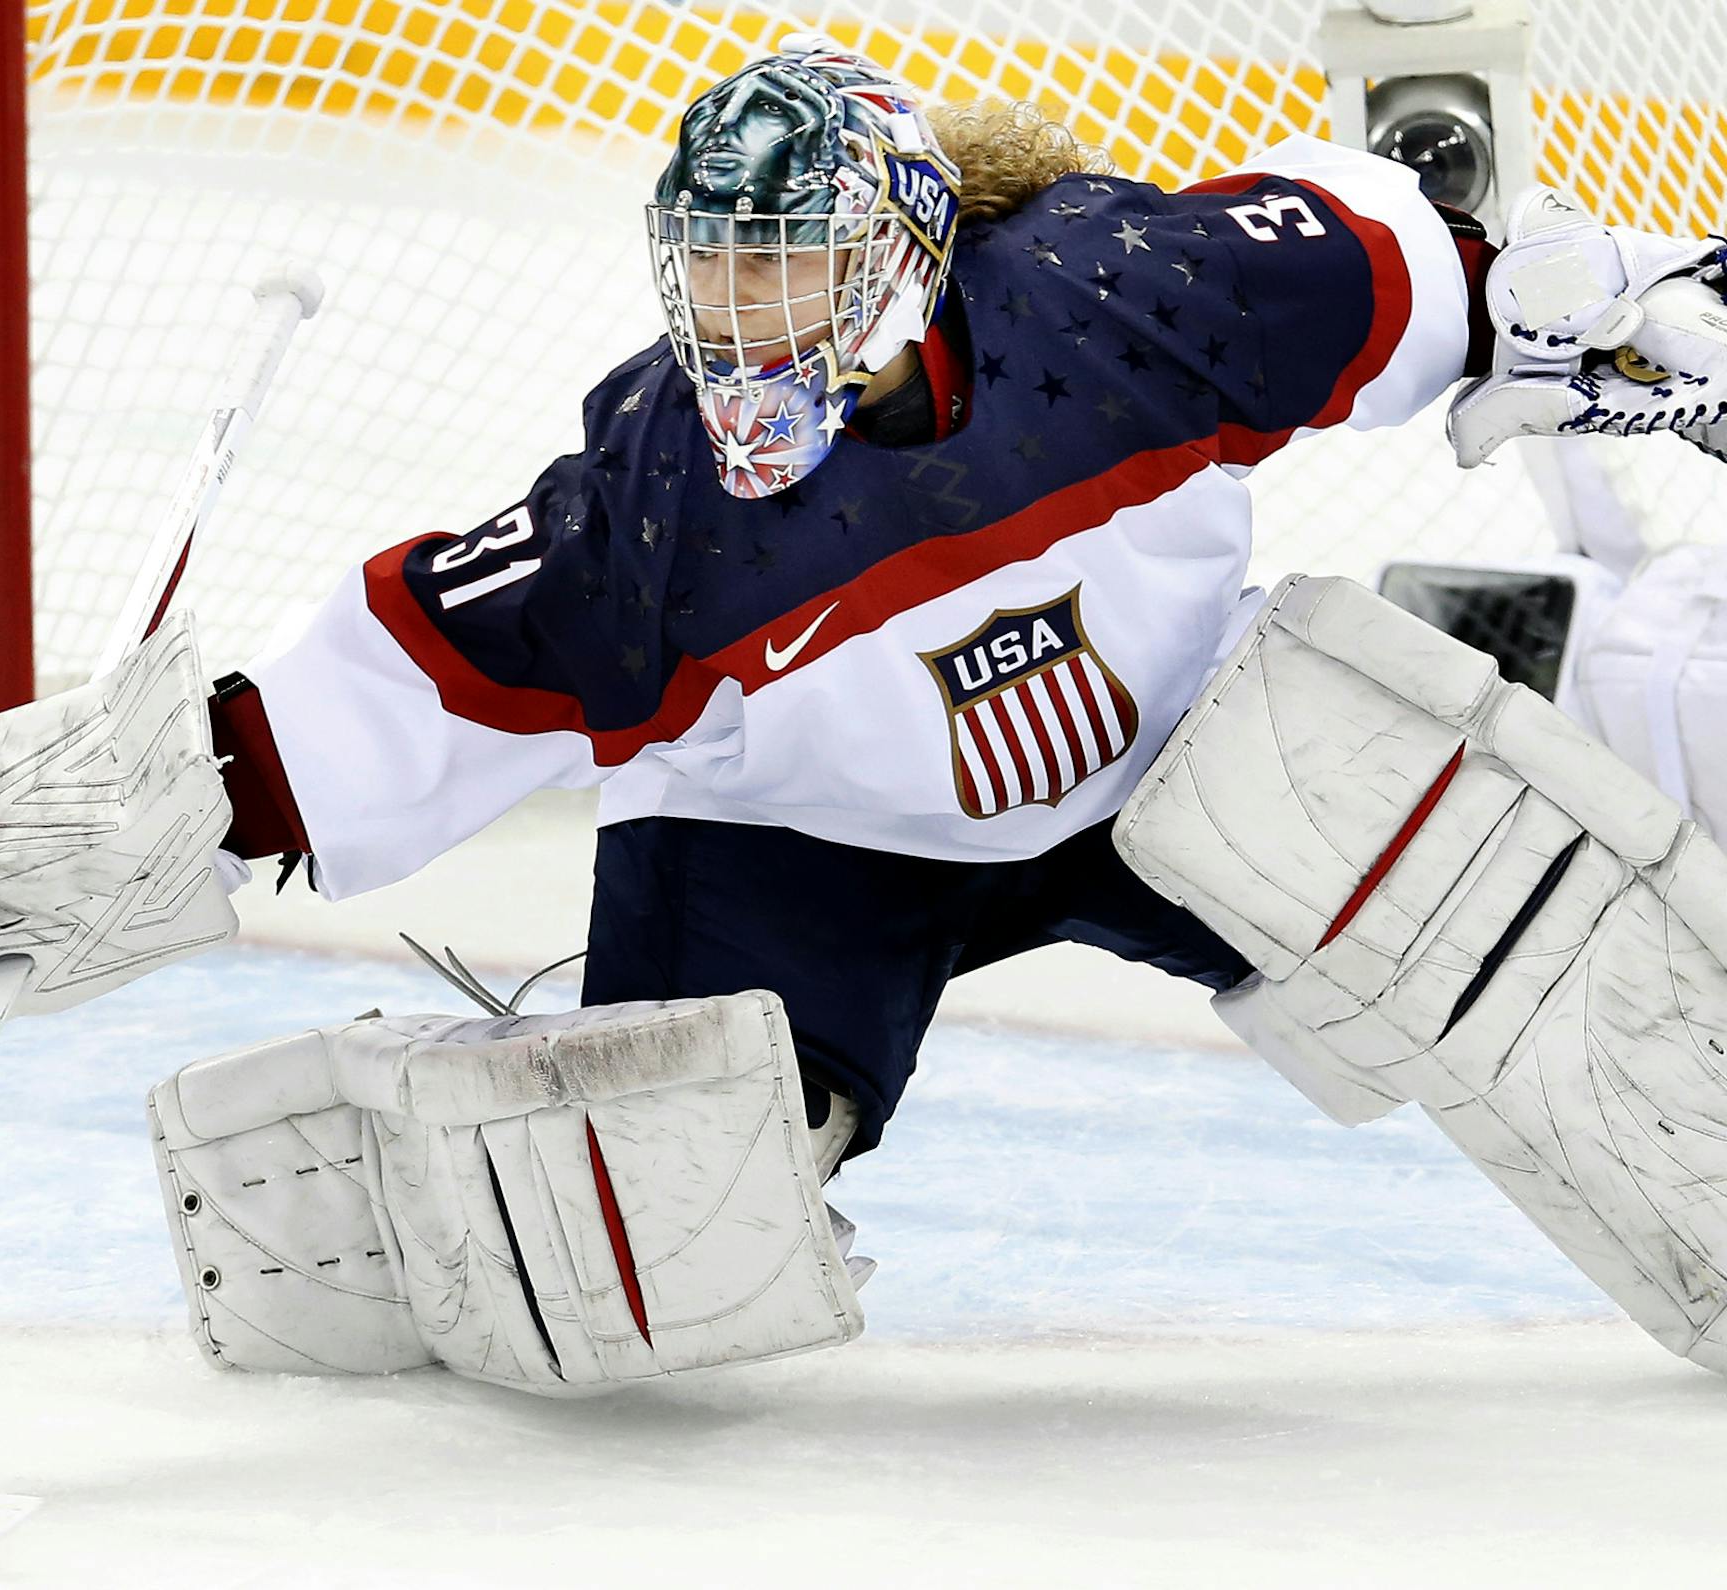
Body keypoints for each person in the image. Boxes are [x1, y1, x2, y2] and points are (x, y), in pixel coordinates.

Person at [204, 36, 1499, 1169]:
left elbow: (1389, 270)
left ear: (902, 254)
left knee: (1496, 958)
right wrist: (201, 789)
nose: (732, 307)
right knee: (666, 1194)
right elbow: (444, 652)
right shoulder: (657, 479)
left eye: (778, 261)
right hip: (810, 837)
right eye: (709, 262)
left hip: (1168, 764)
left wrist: (1568, 305)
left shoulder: (1105, 293)